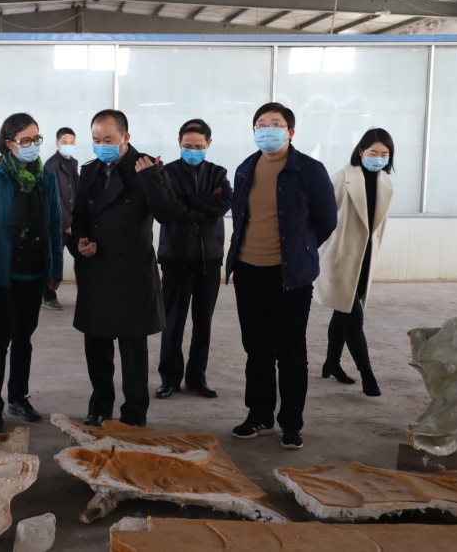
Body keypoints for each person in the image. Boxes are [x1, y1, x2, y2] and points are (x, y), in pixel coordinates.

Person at [225, 102, 337, 451]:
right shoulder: (245, 168)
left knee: (290, 352)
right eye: (261, 124)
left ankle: (291, 423)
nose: (267, 129)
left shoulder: (309, 170)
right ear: (253, 131)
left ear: (290, 132)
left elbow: (326, 219)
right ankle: (259, 415)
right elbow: (240, 217)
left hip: (290, 276)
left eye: (275, 123)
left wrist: (301, 250)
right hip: (248, 270)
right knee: (257, 349)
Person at [71, 109, 184, 428]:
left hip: (132, 273)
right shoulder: (89, 171)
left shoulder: (146, 167)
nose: (101, 146)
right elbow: (80, 217)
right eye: (96, 140)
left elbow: (167, 214)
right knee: (97, 346)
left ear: (126, 137)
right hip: (96, 270)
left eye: (108, 139)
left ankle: (134, 412)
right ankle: (100, 405)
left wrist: (152, 177)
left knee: (133, 349)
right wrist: (80, 242)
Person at [0, 113, 63, 433]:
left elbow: (55, 226)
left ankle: (18, 398)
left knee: (24, 339)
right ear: (10, 144)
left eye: (36, 139)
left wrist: (55, 268)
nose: (33, 145)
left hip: (33, 274)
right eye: (25, 140)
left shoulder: (46, 179)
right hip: (1, 275)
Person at [155, 119, 232, 401]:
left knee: (203, 323)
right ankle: (169, 378)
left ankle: (197, 377)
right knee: (172, 322)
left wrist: (187, 200)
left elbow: (224, 204)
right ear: (179, 143)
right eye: (188, 146)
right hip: (175, 259)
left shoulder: (218, 172)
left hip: (208, 261)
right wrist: (205, 202)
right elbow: (168, 210)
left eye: (199, 146)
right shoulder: (166, 172)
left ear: (208, 144)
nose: (193, 151)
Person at [315, 128, 395, 398]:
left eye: (384, 154)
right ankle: (367, 376)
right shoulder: (342, 177)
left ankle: (331, 363)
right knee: (352, 315)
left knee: (343, 310)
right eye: (373, 152)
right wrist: (324, 248)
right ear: (361, 151)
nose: (378, 158)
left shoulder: (385, 182)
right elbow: (321, 214)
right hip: (341, 258)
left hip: (365, 259)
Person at [41, 127, 78, 310]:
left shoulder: (73, 164)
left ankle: (87, 292)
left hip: (73, 222)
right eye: (64, 142)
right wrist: (67, 223)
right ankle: (48, 296)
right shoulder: (51, 165)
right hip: (56, 223)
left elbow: (76, 194)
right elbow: (54, 197)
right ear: (57, 144)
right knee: (53, 259)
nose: (68, 145)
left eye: (71, 142)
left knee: (83, 257)